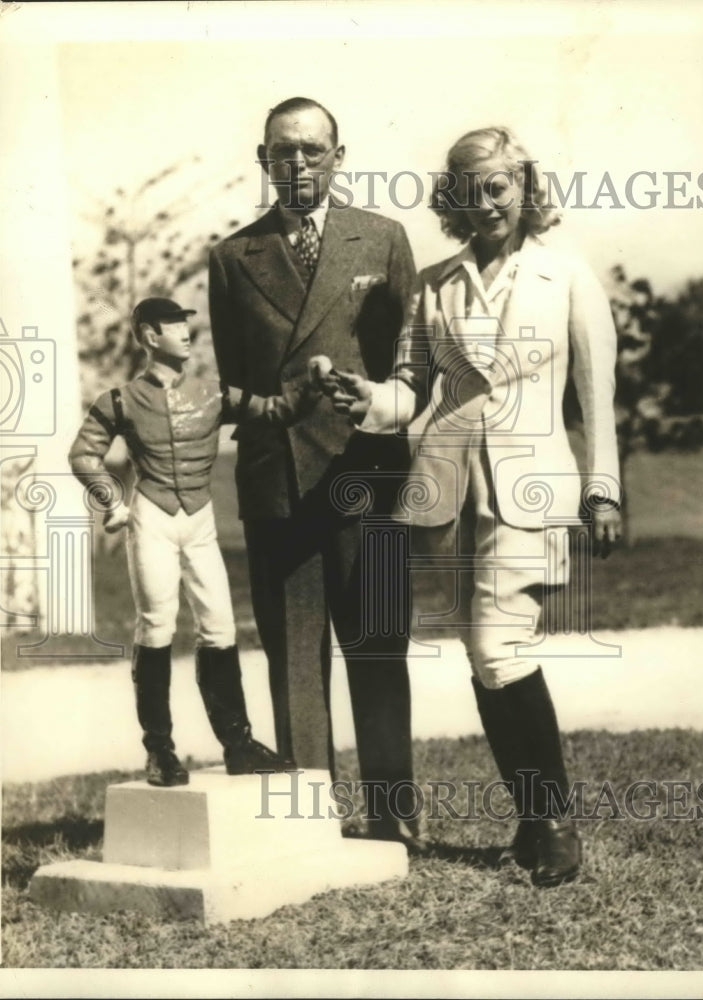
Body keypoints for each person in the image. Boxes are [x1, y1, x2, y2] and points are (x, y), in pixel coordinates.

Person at [329, 126, 623, 885]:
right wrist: (368, 398)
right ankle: (532, 821)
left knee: (500, 649)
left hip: (533, 490)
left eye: (500, 185)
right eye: (471, 189)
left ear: (526, 188)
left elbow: (598, 399)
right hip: (447, 494)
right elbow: (410, 390)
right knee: (483, 654)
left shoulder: (566, 279)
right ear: (453, 198)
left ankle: (553, 822)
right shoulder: (433, 283)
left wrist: (602, 489)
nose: (487, 201)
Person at [208, 97, 421, 847]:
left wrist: (371, 403)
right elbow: (234, 386)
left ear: (339, 154)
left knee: (379, 641)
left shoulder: (386, 239)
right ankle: (311, 823)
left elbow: (413, 368)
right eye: (282, 151)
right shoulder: (233, 257)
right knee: (295, 655)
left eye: (312, 150)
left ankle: (394, 814)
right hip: (279, 481)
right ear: (262, 157)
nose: (297, 164)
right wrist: (283, 404)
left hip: (374, 476)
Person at [68, 296, 306, 787]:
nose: (184, 332)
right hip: (152, 517)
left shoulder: (214, 394)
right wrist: (111, 499)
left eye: (185, 323)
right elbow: (83, 454)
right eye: (173, 325)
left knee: (220, 626)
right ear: (149, 336)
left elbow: (277, 411)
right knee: (156, 628)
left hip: (200, 522)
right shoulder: (120, 400)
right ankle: (159, 751)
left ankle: (237, 744)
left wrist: (316, 382)